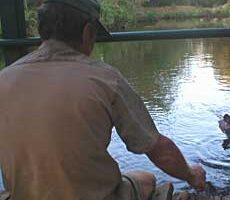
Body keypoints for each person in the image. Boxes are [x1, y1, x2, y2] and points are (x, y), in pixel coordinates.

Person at [0, 0, 206, 199]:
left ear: (41, 28)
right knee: (146, 178)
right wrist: (191, 174)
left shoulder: (4, 78)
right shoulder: (105, 78)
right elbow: (158, 148)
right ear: (88, 32)